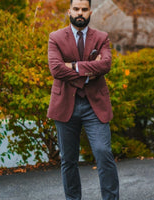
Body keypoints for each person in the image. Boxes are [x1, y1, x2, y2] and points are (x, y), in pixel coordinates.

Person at [47, 0, 119, 199]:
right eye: (76, 9)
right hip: (65, 105)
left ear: (90, 12)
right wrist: (88, 72)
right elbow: (56, 69)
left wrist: (73, 66)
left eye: (84, 10)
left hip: (94, 105)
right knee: (68, 160)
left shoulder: (102, 38)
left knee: (103, 153)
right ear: (69, 11)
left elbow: (105, 65)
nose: (80, 13)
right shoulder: (55, 38)